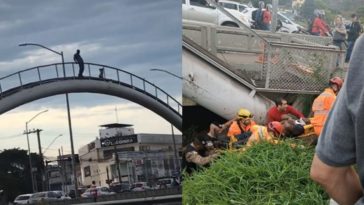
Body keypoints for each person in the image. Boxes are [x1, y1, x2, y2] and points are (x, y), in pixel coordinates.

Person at [310, 35, 364, 205]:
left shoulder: (321, 95)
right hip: (324, 131)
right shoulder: (331, 98)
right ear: (336, 86)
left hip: (318, 130)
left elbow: (324, 172)